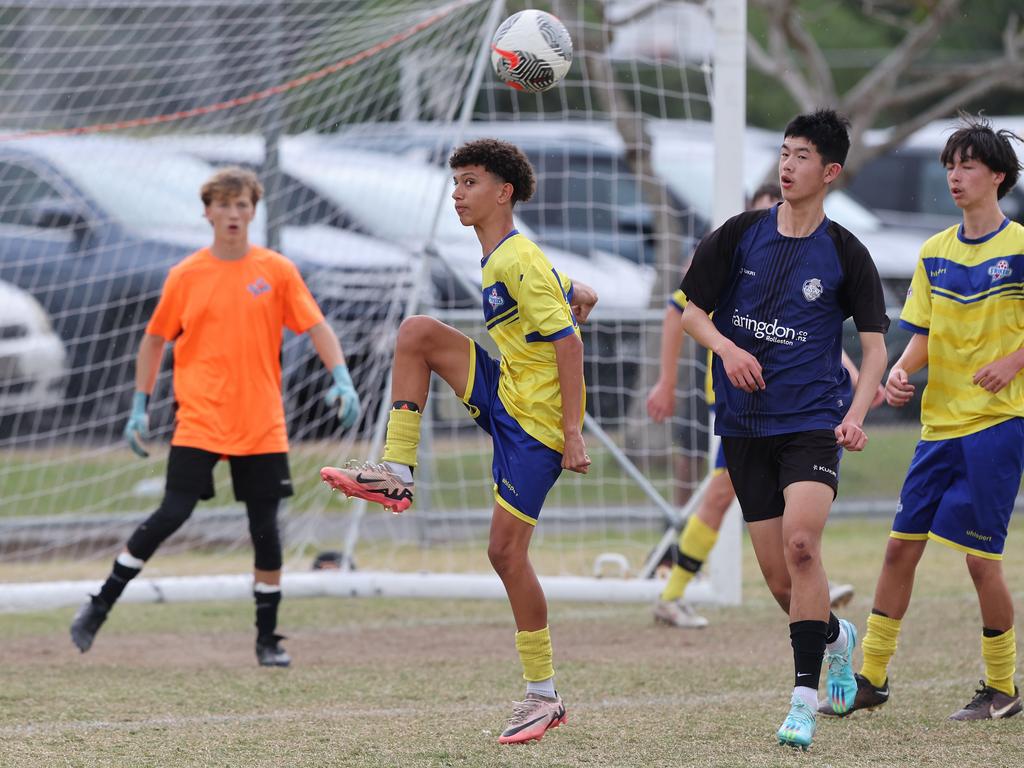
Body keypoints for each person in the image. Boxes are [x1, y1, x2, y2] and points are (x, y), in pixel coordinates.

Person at [320, 139, 598, 745]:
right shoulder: (506, 255)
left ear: (504, 193)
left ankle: (543, 698)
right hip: (508, 395)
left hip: (538, 427)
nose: (457, 193)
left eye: (469, 182)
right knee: (418, 332)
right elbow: (577, 299)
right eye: (455, 183)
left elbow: (569, 344)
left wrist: (572, 432)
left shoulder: (514, 259)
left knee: (504, 555)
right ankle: (398, 470)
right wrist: (576, 289)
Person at [70, 167, 361, 667]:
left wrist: (342, 377)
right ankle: (99, 605)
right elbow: (154, 340)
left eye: (242, 205)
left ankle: (267, 640)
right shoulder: (185, 275)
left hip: (261, 420)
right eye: (224, 205)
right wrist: (139, 405)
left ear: (253, 211)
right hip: (200, 417)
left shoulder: (276, 271)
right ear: (207, 212)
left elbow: (317, 327)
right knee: (171, 514)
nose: (233, 214)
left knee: (266, 529)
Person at [679, 109, 889, 749]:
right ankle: (834, 635)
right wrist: (728, 349)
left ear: (829, 172)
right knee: (779, 580)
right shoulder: (739, 235)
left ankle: (802, 701)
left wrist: (853, 417)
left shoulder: (847, 252)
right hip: (743, 425)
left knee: (803, 546)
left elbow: (875, 351)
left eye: (802, 157)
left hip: (812, 423)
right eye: (784, 152)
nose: (787, 165)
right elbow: (691, 314)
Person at [829, 115, 1024, 722]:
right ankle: (873, 678)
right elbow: (925, 330)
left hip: (997, 424)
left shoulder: (1019, 247)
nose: (955, 176)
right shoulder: (934, 252)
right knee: (898, 550)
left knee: (978, 559)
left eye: (967, 165)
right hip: (940, 427)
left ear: (997, 176)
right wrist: (900, 371)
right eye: (949, 166)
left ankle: (1002, 687)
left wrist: (1013, 361)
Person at [647, 182, 873, 629]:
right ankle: (672, 593)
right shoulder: (732, 248)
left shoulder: (814, 255)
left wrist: (851, 370)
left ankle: (805, 588)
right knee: (718, 495)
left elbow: (811, 333)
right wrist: (667, 380)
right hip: (740, 408)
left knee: (761, 509)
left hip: (789, 409)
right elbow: (680, 313)